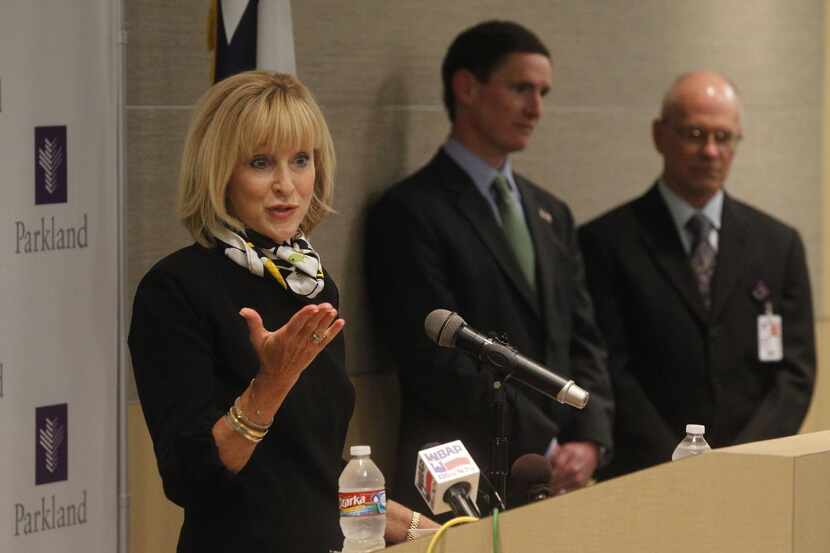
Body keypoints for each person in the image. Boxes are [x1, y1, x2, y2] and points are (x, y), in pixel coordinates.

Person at [129, 71, 433, 553]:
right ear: (219, 172)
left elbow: (314, 474)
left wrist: (426, 532)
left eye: (300, 161)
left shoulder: (311, 285)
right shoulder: (174, 290)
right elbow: (189, 478)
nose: (286, 185)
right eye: (260, 162)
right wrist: (270, 384)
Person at [365, 21, 614, 512]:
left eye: (543, 92)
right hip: (460, 479)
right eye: (521, 88)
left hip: (559, 480)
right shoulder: (410, 211)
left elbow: (584, 335)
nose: (536, 108)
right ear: (467, 88)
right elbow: (435, 361)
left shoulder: (552, 212)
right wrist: (544, 445)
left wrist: (589, 437)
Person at [578, 71, 816, 479]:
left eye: (723, 137)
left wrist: (742, 461)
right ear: (659, 136)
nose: (709, 151)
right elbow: (608, 367)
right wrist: (679, 462)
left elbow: (795, 374)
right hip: (644, 472)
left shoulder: (779, 245)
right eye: (693, 134)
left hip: (756, 477)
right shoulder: (604, 242)